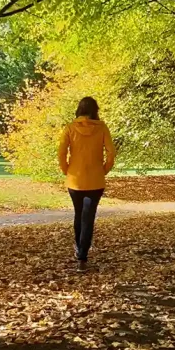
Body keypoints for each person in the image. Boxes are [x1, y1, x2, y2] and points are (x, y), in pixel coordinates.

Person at [58, 97, 116, 272]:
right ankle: (82, 256)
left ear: (79, 109)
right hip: (95, 179)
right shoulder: (102, 128)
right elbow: (111, 153)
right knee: (88, 217)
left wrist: (66, 170)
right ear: (95, 110)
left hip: (74, 179)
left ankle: (79, 248)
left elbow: (61, 153)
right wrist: (103, 169)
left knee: (79, 214)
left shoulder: (69, 128)